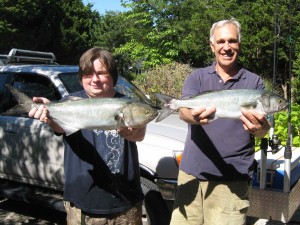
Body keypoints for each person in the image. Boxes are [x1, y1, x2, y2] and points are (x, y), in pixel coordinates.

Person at [169, 19, 270, 225]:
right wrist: (194, 117)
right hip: (192, 175)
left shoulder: (254, 83)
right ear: (212, 45)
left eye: (232, 41)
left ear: (239, 44)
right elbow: (184, 113)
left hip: (231, 179)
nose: (227, 47)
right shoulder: (197, 77)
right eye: (221, 41)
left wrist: (260, 129)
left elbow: (263, 129)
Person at [28, 47, 146, 225]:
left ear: (113, 76)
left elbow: (139, 134)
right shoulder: (69, 103)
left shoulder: (128, 104)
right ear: (81, 77)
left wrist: (133, 132)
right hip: (84, 201)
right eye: (88, 74)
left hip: (126, 201)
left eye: (101, 73)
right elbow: (61, 128)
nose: (95, 80)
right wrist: (48, 115)